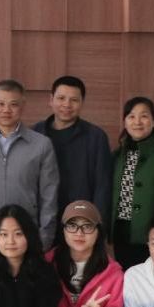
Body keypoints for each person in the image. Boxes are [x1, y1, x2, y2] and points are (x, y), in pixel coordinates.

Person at [0, 79, 60, 249]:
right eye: (0, 104)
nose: (6, 110)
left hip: (27, 235)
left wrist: (45, 237)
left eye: (13, 104)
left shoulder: (41, 145)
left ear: (23, 106)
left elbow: (49, 195)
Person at [33, 76, 113, 221]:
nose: (67, 104)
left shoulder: (96, 137)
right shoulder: (34, 134)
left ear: (82, 103)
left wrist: (97, 225)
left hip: (81, 222)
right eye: (61, 98)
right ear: (51, 100)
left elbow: (103, 187)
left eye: (74, 100)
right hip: (42, 219)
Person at [111, 96, 154, 270]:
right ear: (125, 122)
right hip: (122, 233)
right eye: (131, 116)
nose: (137, 122)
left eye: (144, 116)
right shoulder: (117, 155)